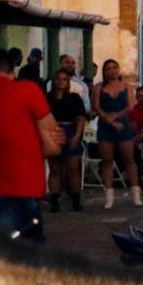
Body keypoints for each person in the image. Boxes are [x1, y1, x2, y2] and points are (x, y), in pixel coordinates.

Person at [0, 45, 62, 241]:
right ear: (11, 70)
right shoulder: (27, 90)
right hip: (25, 187)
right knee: (28, 251)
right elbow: (53, 146)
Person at [93, 59, 143, 208]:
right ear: (104, 71)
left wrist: (116, 116)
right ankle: (109, 196)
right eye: (108, 68)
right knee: (107, 161)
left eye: (114, 67)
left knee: (129, 158)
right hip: (105, 125)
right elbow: (96, 106)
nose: (112, 71)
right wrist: (109, 120)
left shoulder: (126, 86)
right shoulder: (98, 87)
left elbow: (130, 105)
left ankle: (136, 193)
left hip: (123, 124)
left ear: (118, 69)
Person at [46, 67, 87, 213]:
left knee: (72, 168)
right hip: (53, 131)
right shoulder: (47, 98)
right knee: (55, 169)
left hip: (70, 130)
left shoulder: (74, 98)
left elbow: (80, 117)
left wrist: (77, 135)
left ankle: (76, 199)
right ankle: (54, 200)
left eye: (64, 79)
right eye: (58, 79)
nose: (61, 82)